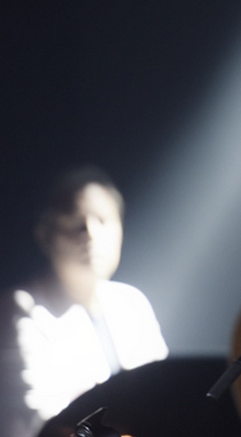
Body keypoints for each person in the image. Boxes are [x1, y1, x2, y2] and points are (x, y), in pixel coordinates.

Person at [0, 166, 168, 437]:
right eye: (75, 222)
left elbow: (163, 397)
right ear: (46, 234)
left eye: (103, 220)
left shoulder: (132, 303)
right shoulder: (20, 311)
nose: (90, 234)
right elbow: (43, 424)